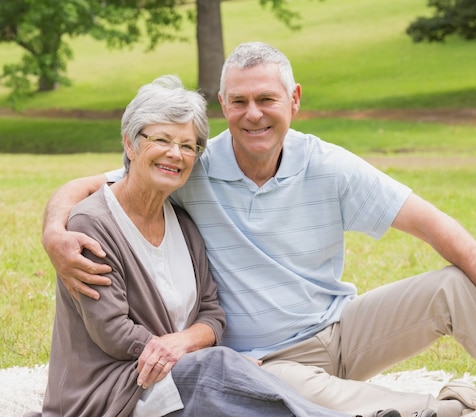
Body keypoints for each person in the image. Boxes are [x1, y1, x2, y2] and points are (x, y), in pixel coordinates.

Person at [40, 43, 476, 417]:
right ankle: (464, 407)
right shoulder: (191, 163)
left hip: (343, 331)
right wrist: (53, 234)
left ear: (293, 100)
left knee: (454, 286)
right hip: (268, 362)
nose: (253, 114)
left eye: (267, 98)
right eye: (239, 101)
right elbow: (95, 188)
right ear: (222, 104)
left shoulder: (327, 164)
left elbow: (435, 224)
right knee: (357, 412)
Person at [29, 74, 375, 417]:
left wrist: (191, 348)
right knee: (221, 371)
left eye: (187, 145)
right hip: (114, 394)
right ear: (130, 144)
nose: (175, 154)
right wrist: (198, 357)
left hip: (177, 381)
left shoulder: (183, 224)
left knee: (239, 385)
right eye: (162, 139)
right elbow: (112, 331)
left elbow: (212, 312)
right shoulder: (92, 224)